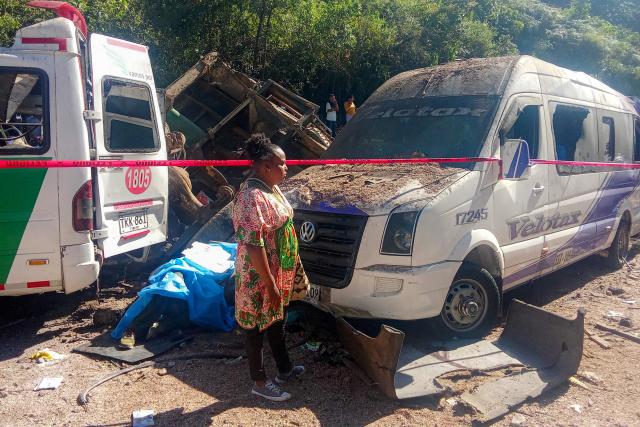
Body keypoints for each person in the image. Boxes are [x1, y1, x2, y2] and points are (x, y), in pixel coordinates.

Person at [232, 133, 305, 402]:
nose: (286, 168)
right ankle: (259, 382)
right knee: (253, 327)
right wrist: (270, 283)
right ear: (265, 166)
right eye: (282, 164)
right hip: (257, 276)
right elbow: (253, 245)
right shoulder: (251, 196)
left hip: (276, 272)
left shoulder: (269, 188)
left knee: (277, 320)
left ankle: (284, 369)